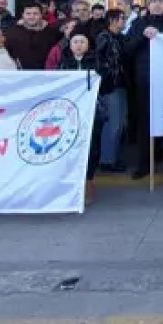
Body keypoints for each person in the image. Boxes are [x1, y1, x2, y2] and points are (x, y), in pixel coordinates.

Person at [125, 0, 163, 179]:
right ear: (148, 5)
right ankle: (145, 163)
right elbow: (128, 49)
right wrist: (143, 36)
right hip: (145, 80)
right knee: (145, 121)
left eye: (160, 1)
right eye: (153, 1)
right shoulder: (138, 24)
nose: (157, 4)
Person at [58, 31, 101, 202]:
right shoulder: (63, 62)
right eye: (75, 41)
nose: (78, 45)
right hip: (69, 111)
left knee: (92, 145)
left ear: (88, 45)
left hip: (92, 110)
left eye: (82, 41)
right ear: (70, 45)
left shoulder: (97, 61)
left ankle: (89, 179)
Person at [94, 9, 131, 174]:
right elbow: (99, 62)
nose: (124, 21)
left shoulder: (120, 37)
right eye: (122, 18)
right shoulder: (104, 37)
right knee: (112, 124)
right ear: (112, 20)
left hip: (120, 84)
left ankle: (111, 157)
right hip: (111, 86)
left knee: (119, 123)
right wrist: (110, 75)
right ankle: (107, 160)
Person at [5, 3, 61, 70]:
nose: (32, 17)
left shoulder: (52, 33)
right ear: (23, 15)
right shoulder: (12, 33)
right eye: (28, 14)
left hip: (46, 74)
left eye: (35, 14)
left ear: (41, 15)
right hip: (18, 74)